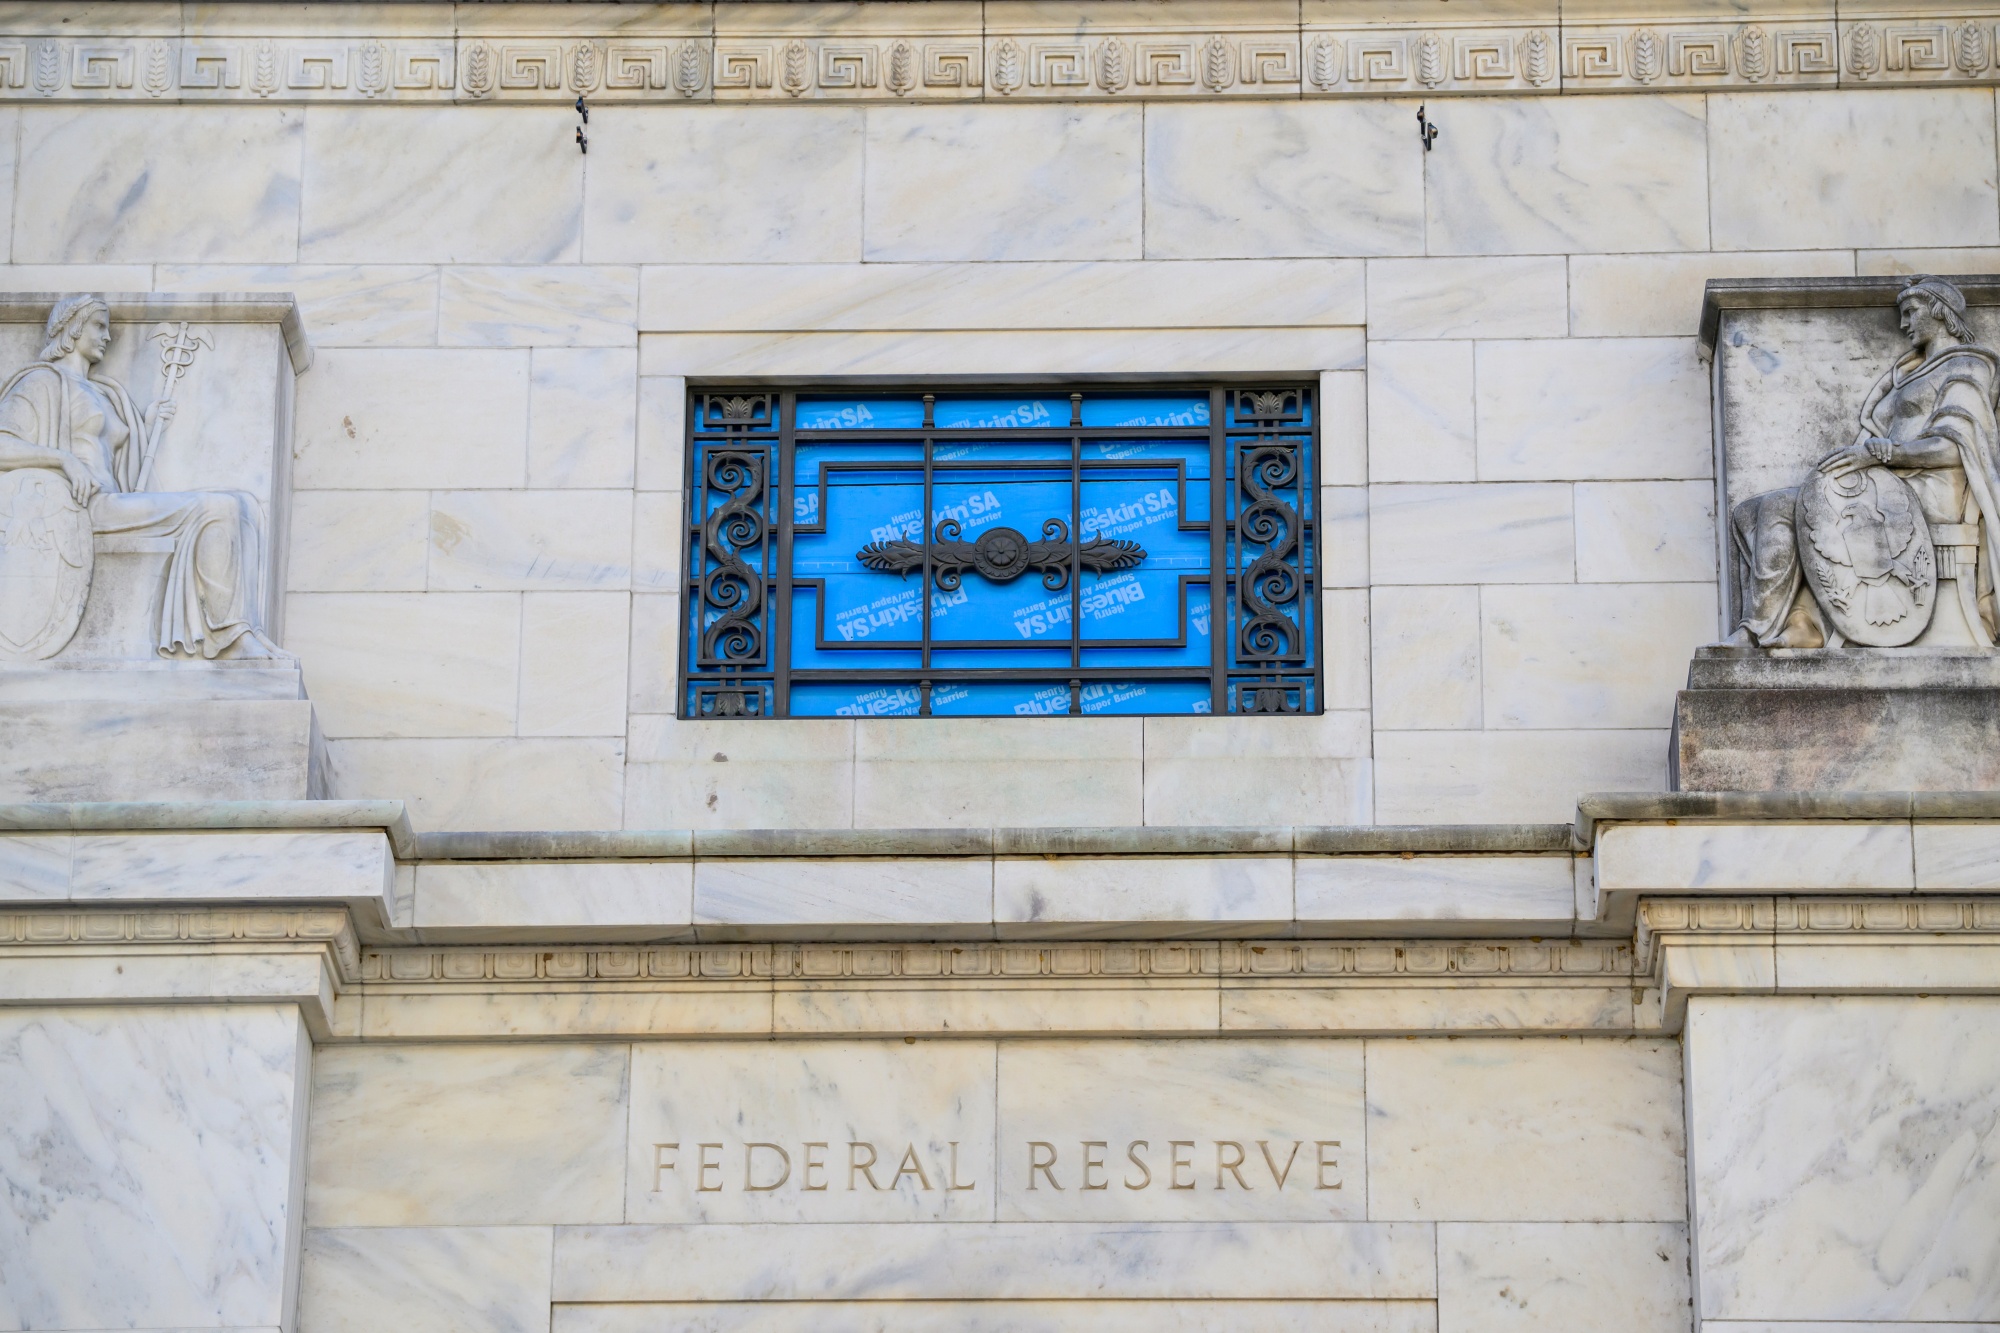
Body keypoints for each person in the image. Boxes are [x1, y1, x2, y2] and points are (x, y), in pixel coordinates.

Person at [0, 293, 285, 659]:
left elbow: (123, 464)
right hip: (84, 510)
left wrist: (146, 423)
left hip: (114, 503)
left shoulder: (105, 392)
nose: (107, 336)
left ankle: (248, 629)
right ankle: (228, 636)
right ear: (71, 328)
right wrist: (62, 460)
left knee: (243, 505)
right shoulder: (42, 383)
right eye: (98, 326)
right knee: (218, 507)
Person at [1722, 275, 2000, 648]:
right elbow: (1873, 437)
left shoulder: (1966, 366)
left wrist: (1888, 454)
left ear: (1940, 311)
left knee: (1780, 506)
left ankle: (1759, 632)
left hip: (1926, 486)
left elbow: (1957, 447)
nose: (1904, 324)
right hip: (1883, 482)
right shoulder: (1905, 374)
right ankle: (1799, 619)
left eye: (1911, 312)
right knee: (1749, 512)